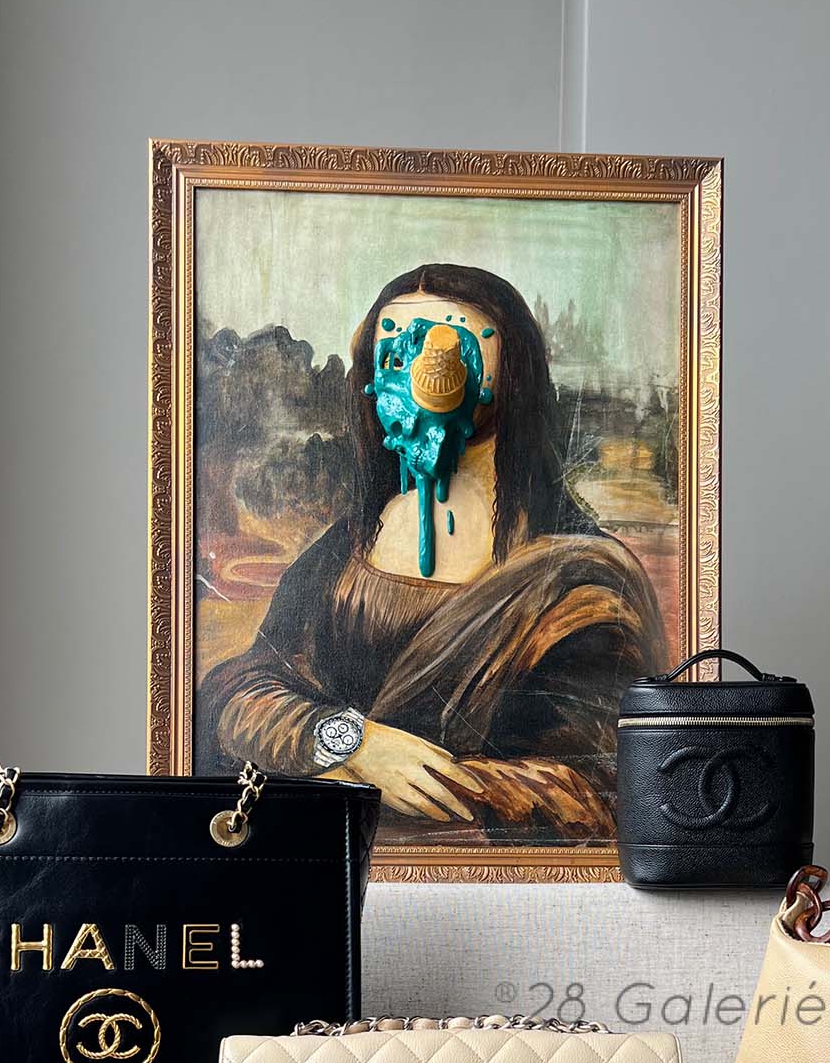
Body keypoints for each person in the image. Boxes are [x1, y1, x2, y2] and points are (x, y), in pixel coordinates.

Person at [198, 262, 667, 836]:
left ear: (512, 370)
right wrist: (355, 744)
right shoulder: (349, 546)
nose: (419, 360)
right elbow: (240, 691)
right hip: (337, 857)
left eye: (453, 336)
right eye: (393, 345)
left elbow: (597, 786)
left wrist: (375, 779)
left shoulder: (580, 578)